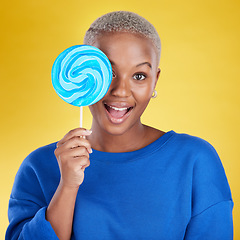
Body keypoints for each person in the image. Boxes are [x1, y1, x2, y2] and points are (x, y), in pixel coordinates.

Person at [6, 11, 233, 240]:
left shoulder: (195, 161)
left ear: (156, 79)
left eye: (139, 76)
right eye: (110, 72)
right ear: (85, 72)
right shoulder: (38, 167)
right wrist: (67, 186)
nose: (121, 91)